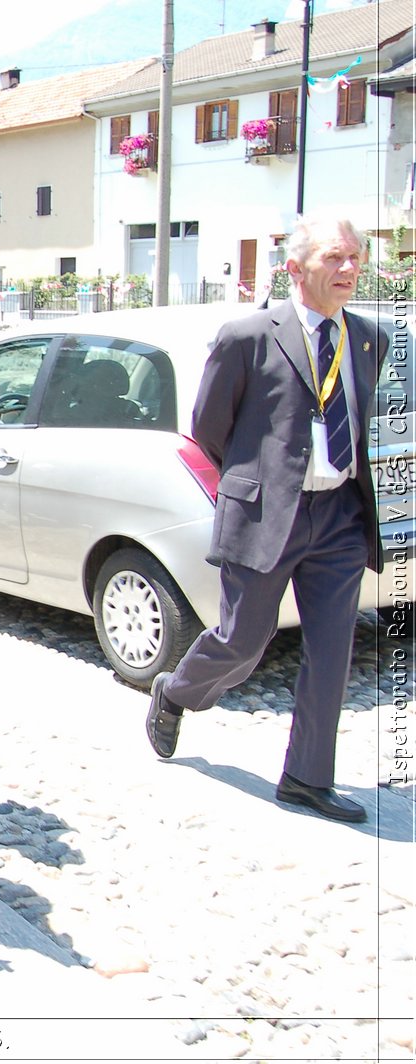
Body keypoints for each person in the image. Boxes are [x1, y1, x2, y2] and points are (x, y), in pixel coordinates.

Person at [144, 214, 390, 824]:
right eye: (334, 258)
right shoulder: (249, 336)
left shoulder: (368, 339)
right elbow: (209, 427)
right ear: (295, 267)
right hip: (268, 515)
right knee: (242, 643)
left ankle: (307, 779)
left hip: (339, 515)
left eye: (355, 258)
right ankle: (174, 692)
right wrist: (262, 484)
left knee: (332, 648)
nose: (349, 269)